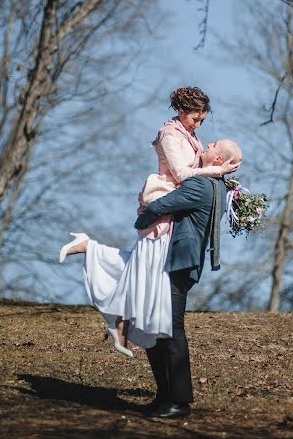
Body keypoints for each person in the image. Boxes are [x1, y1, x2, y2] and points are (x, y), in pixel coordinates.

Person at [59, 87, 241, 356]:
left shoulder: (190, 136)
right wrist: (218, 170)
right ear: (181, 111)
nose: (199, 125)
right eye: (195, 118)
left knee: (143, 269)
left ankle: (118, 317)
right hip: (165, 198)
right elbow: (181, 173)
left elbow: (200, 170)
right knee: (145, 268)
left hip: (175, 206)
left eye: (202, 120)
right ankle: (120, 319)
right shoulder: (170, 134)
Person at [133, 140, 241, 418]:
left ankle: (179, 402)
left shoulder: (200, 186)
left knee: (171, 328)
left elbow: (160, 205)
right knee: (159, 328)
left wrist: (142, 219)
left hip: (179, 263)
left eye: (213, 145)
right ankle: (164, 396)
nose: (207, 143)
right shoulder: (215, 187)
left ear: (217, 160)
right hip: (182, 263)